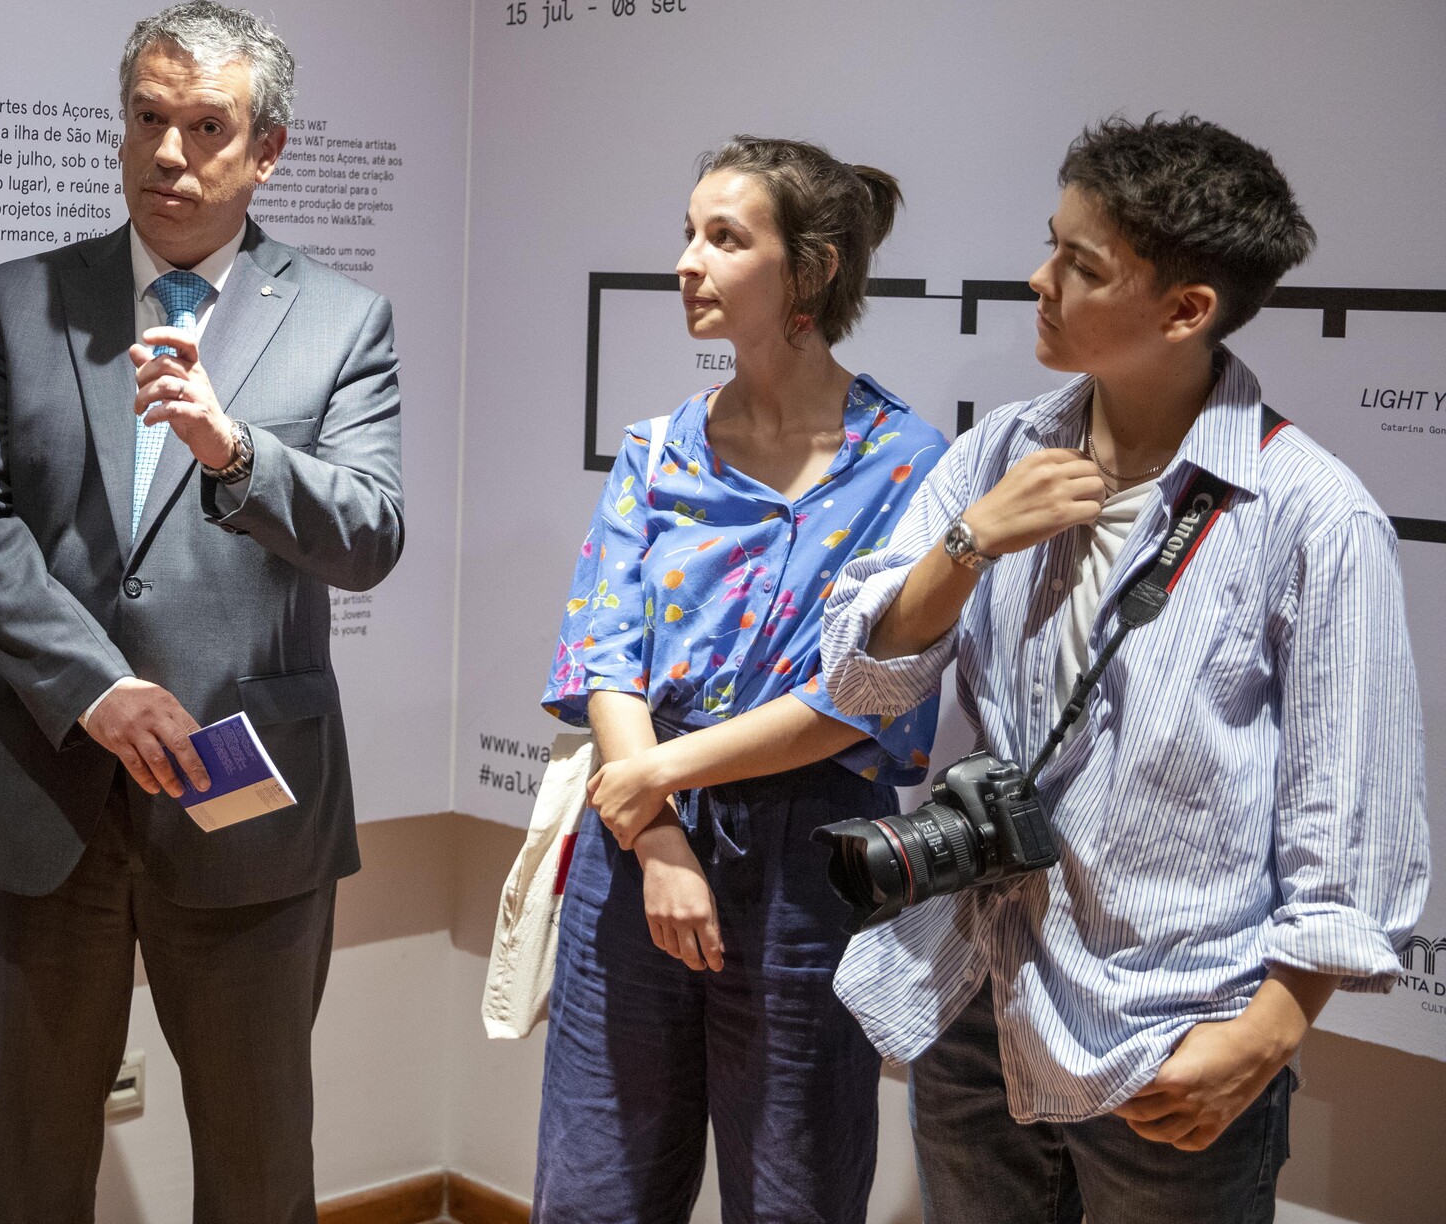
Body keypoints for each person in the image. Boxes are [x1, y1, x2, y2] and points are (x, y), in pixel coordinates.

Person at [821, 116, 1428, 1224]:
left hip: (1174, 1026)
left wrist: (1268, 1034)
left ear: (1186, 310)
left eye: (1081, 264)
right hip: (978, 986)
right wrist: (970, 544)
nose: (1038, 279)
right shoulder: (1003, 452)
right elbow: (866, 682)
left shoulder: (1313, 516)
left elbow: (1352, 817)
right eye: (1050, 244)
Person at [0, 0, 403, 1223]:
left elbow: (369, 535)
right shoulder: (20, 301)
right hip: (48, 789)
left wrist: (235, 451)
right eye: (148, 119)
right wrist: (96, 688)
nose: (169, 154)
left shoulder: (342, 320)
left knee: (257, 1168)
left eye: (206, 127)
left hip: (246, 805)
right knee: (33, 1168)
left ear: (267, 150)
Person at [532, 138, 948, 1223]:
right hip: (636, 844)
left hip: (811, 856)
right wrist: (657, 835)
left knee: (793, 1192)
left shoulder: (910, 464)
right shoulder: (656, 449)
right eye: (689, 233)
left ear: (812, 269)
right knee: (596, 1191)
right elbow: (606, 652)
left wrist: (654, 781)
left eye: (724, 238)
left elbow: (862, 695)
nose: (688, 262)